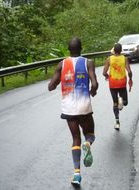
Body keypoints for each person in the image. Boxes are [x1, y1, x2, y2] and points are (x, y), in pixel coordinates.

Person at [48, 37, 98, 186]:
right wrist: (93, 91)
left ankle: (76, 174)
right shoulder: (88, 62)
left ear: (68, 49)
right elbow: (94, 82)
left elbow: (51, 86)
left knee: (75, 139)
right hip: (84, 107)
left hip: (69, 109)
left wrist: (54, 83)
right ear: (81, 48)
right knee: (90, 135)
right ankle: (88, 144)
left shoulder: (62, 64)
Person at [103, 43, 133, 130]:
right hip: (122, 83)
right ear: (121, 50)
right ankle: (121, 100)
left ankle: (117, 122)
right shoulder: (125, 59)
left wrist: (107, 77)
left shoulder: (109, 59)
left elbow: (104, 72)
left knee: (115, 103)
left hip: (112, 83)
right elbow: (129, 71)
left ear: (114, 50)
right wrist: (130, 79)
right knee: (125, 102)